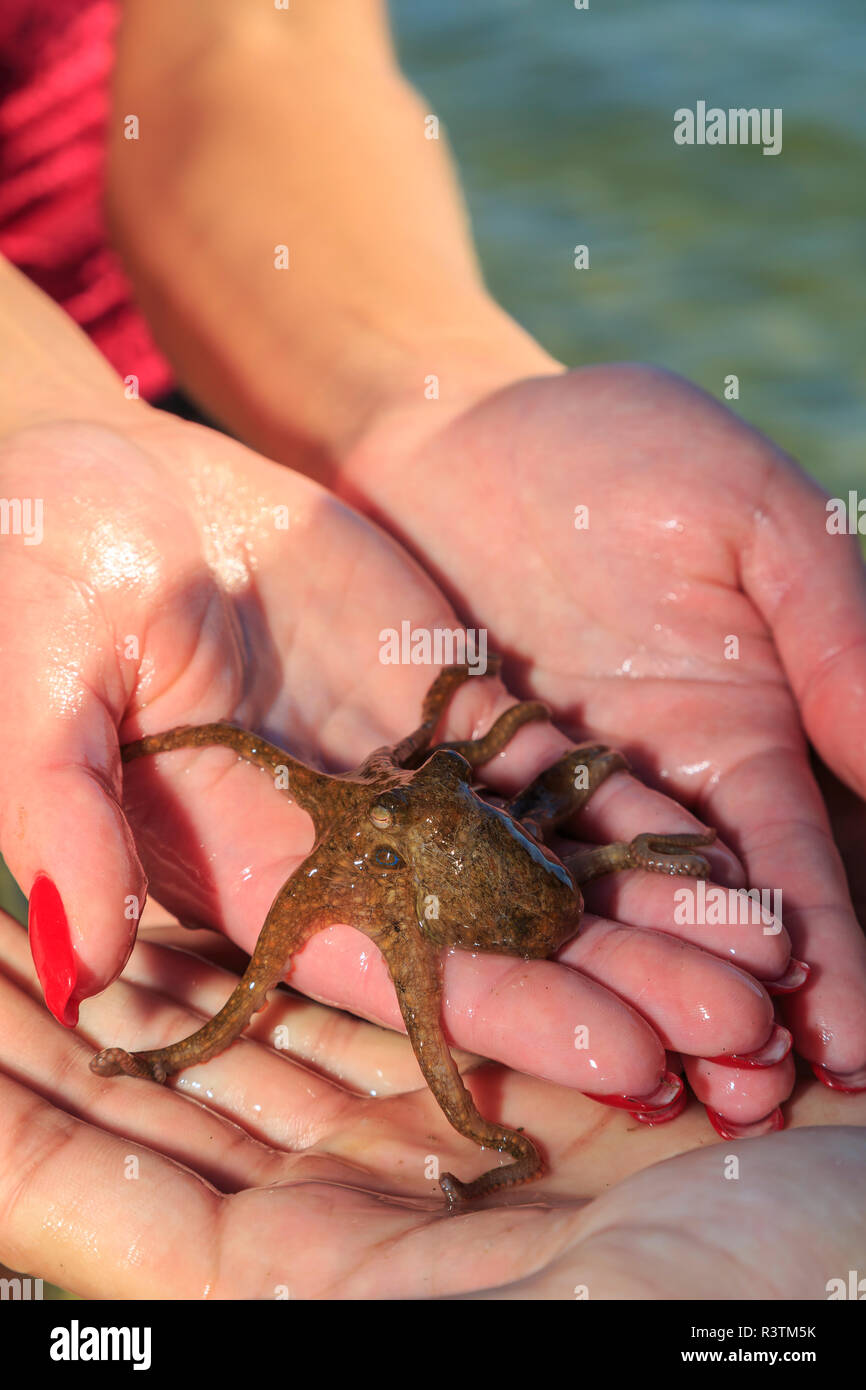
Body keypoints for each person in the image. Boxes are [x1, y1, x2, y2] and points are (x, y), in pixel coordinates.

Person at [0, 0, 864, 1297]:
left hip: (197, 508)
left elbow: (254, 37)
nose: (420, 774)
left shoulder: (445, 773)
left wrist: (429, 402)